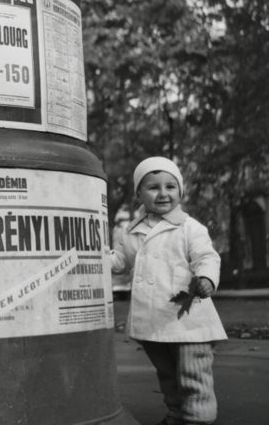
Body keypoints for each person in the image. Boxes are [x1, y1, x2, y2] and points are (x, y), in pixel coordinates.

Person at [111, 157, 227, 425]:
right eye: (153, 187)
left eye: (170, 187)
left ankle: (199, 418)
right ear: (139, 192)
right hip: (152, 320)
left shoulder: (190, 227)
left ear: (180, 191)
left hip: (187, 319)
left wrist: (207, 277)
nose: (163, 193)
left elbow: (207, 257)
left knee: (192, 371)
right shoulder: (130, 231)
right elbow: (120, 260)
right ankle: (176, 412)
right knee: (167, 373)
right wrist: (97, 259)